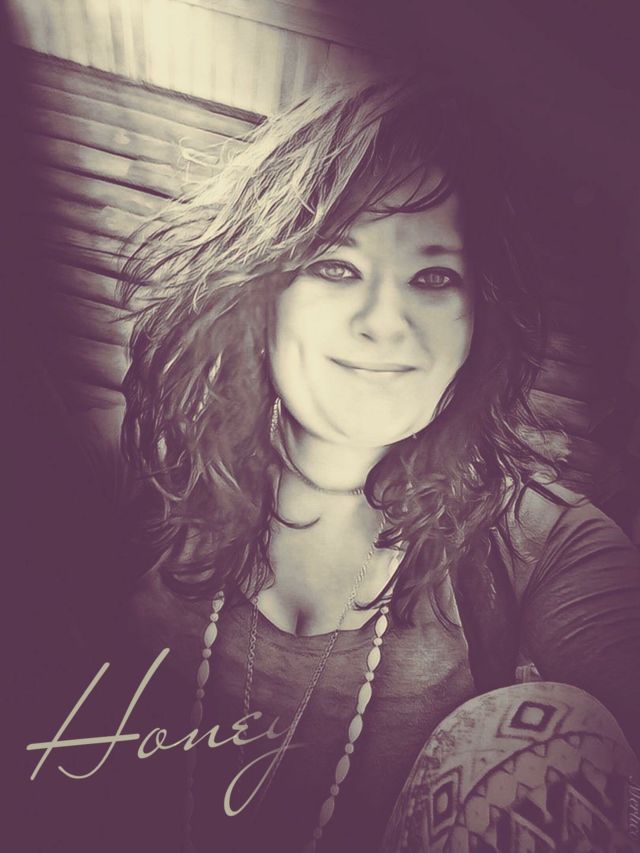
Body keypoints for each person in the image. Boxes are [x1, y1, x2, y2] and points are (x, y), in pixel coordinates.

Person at [116, 75, 640, 852]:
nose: (384, 322)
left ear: (478, 316)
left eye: (434, 276)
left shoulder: (545, 544)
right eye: (336, 266)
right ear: (265, 289)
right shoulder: (132, 480)